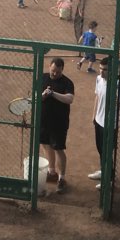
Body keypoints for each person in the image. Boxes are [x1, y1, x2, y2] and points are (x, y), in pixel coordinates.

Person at [89, 57, 120, 190]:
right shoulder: (99, 79)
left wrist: (116, 101)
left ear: (111, 70)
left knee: (107, 152)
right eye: (100, 68)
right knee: (100, 150)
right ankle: (103, 171)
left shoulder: (117, 85)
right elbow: (97, 96)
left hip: (110, 125)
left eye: (105, 69)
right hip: (98, 121)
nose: (101, 71)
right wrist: (94, 115)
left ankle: (109, 180)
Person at [38, 57, 76, 193]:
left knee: (58, 148)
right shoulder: (42, 78)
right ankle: (52, 172)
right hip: (43, 120)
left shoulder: (67, 82)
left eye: (58, 72)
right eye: (53, 70)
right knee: (46, 144)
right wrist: (43, 95)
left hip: (59, 123)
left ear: (62, 70)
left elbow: (69, 99)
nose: (54, 74)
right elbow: (36, 97)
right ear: (49, 66)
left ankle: (62, 178)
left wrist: (53, 94)